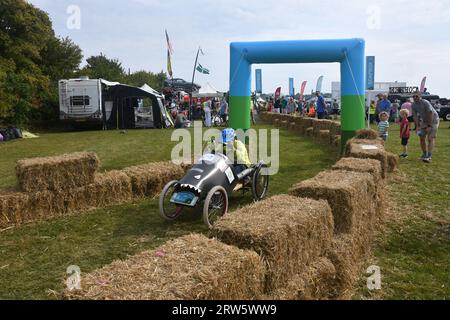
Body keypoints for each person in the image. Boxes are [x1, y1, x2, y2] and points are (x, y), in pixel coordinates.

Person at [412, 92, 440, 162]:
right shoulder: (413, 105)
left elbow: (430, 113)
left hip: (433, 120)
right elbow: (415, 116)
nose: (415, 98)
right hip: (424, 121)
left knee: (430, 138)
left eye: (416, 96)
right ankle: (424, 154)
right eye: (414, 96)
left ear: (420, 96)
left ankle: (429, 156)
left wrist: (429, 126)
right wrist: (417, 126)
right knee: (421, 137)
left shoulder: (425, 102)